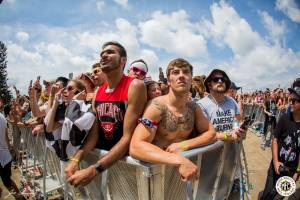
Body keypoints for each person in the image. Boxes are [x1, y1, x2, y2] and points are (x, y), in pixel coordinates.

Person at [65, 41, 147, 187]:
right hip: (103, 161)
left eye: (110, 52)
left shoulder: (134, 86)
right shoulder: (98, 92)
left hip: (126, 163)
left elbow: (128, 137)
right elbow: (94, 135)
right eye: (102, 54)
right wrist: (75, 159)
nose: (104, 55)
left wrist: (94, 169)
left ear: (123, 60)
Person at [129, 58, 216, 182]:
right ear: (169, 81)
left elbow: (211, 134)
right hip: (155, 176)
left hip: (181, 175)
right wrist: (180, 161)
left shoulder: (193, 107)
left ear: (191, 79)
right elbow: (136, 146)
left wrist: (183, 145)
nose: (181, 76)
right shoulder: (157, 106)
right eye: (175, 72)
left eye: (186, 72)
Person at [260, 78, 300, 200]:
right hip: (276, 167)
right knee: (267, 195)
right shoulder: (284, 118)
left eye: (294, 100)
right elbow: (275, 139)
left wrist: (297, 172)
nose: (290, 103)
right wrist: (276, 162)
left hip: (291, 170)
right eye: (289, 100)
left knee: (280, 196)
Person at [198, 69, 245, 141]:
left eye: (223, 79)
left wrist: (236, 129)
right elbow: (204, 134)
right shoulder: (201, 105)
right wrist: (228, 135)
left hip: (232, 150)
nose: (220, 81)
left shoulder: (231, 101)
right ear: (209, 85)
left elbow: (236, 119)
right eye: (216, 79)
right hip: (213, 151)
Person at [0, 112, 25, 200]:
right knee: (7, 181)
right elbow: (6, 137)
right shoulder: (2, 116)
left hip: (3, 156)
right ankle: (19, 197)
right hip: (5, 155)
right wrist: (10, 150)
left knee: (7, 182)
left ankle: (19, 197)